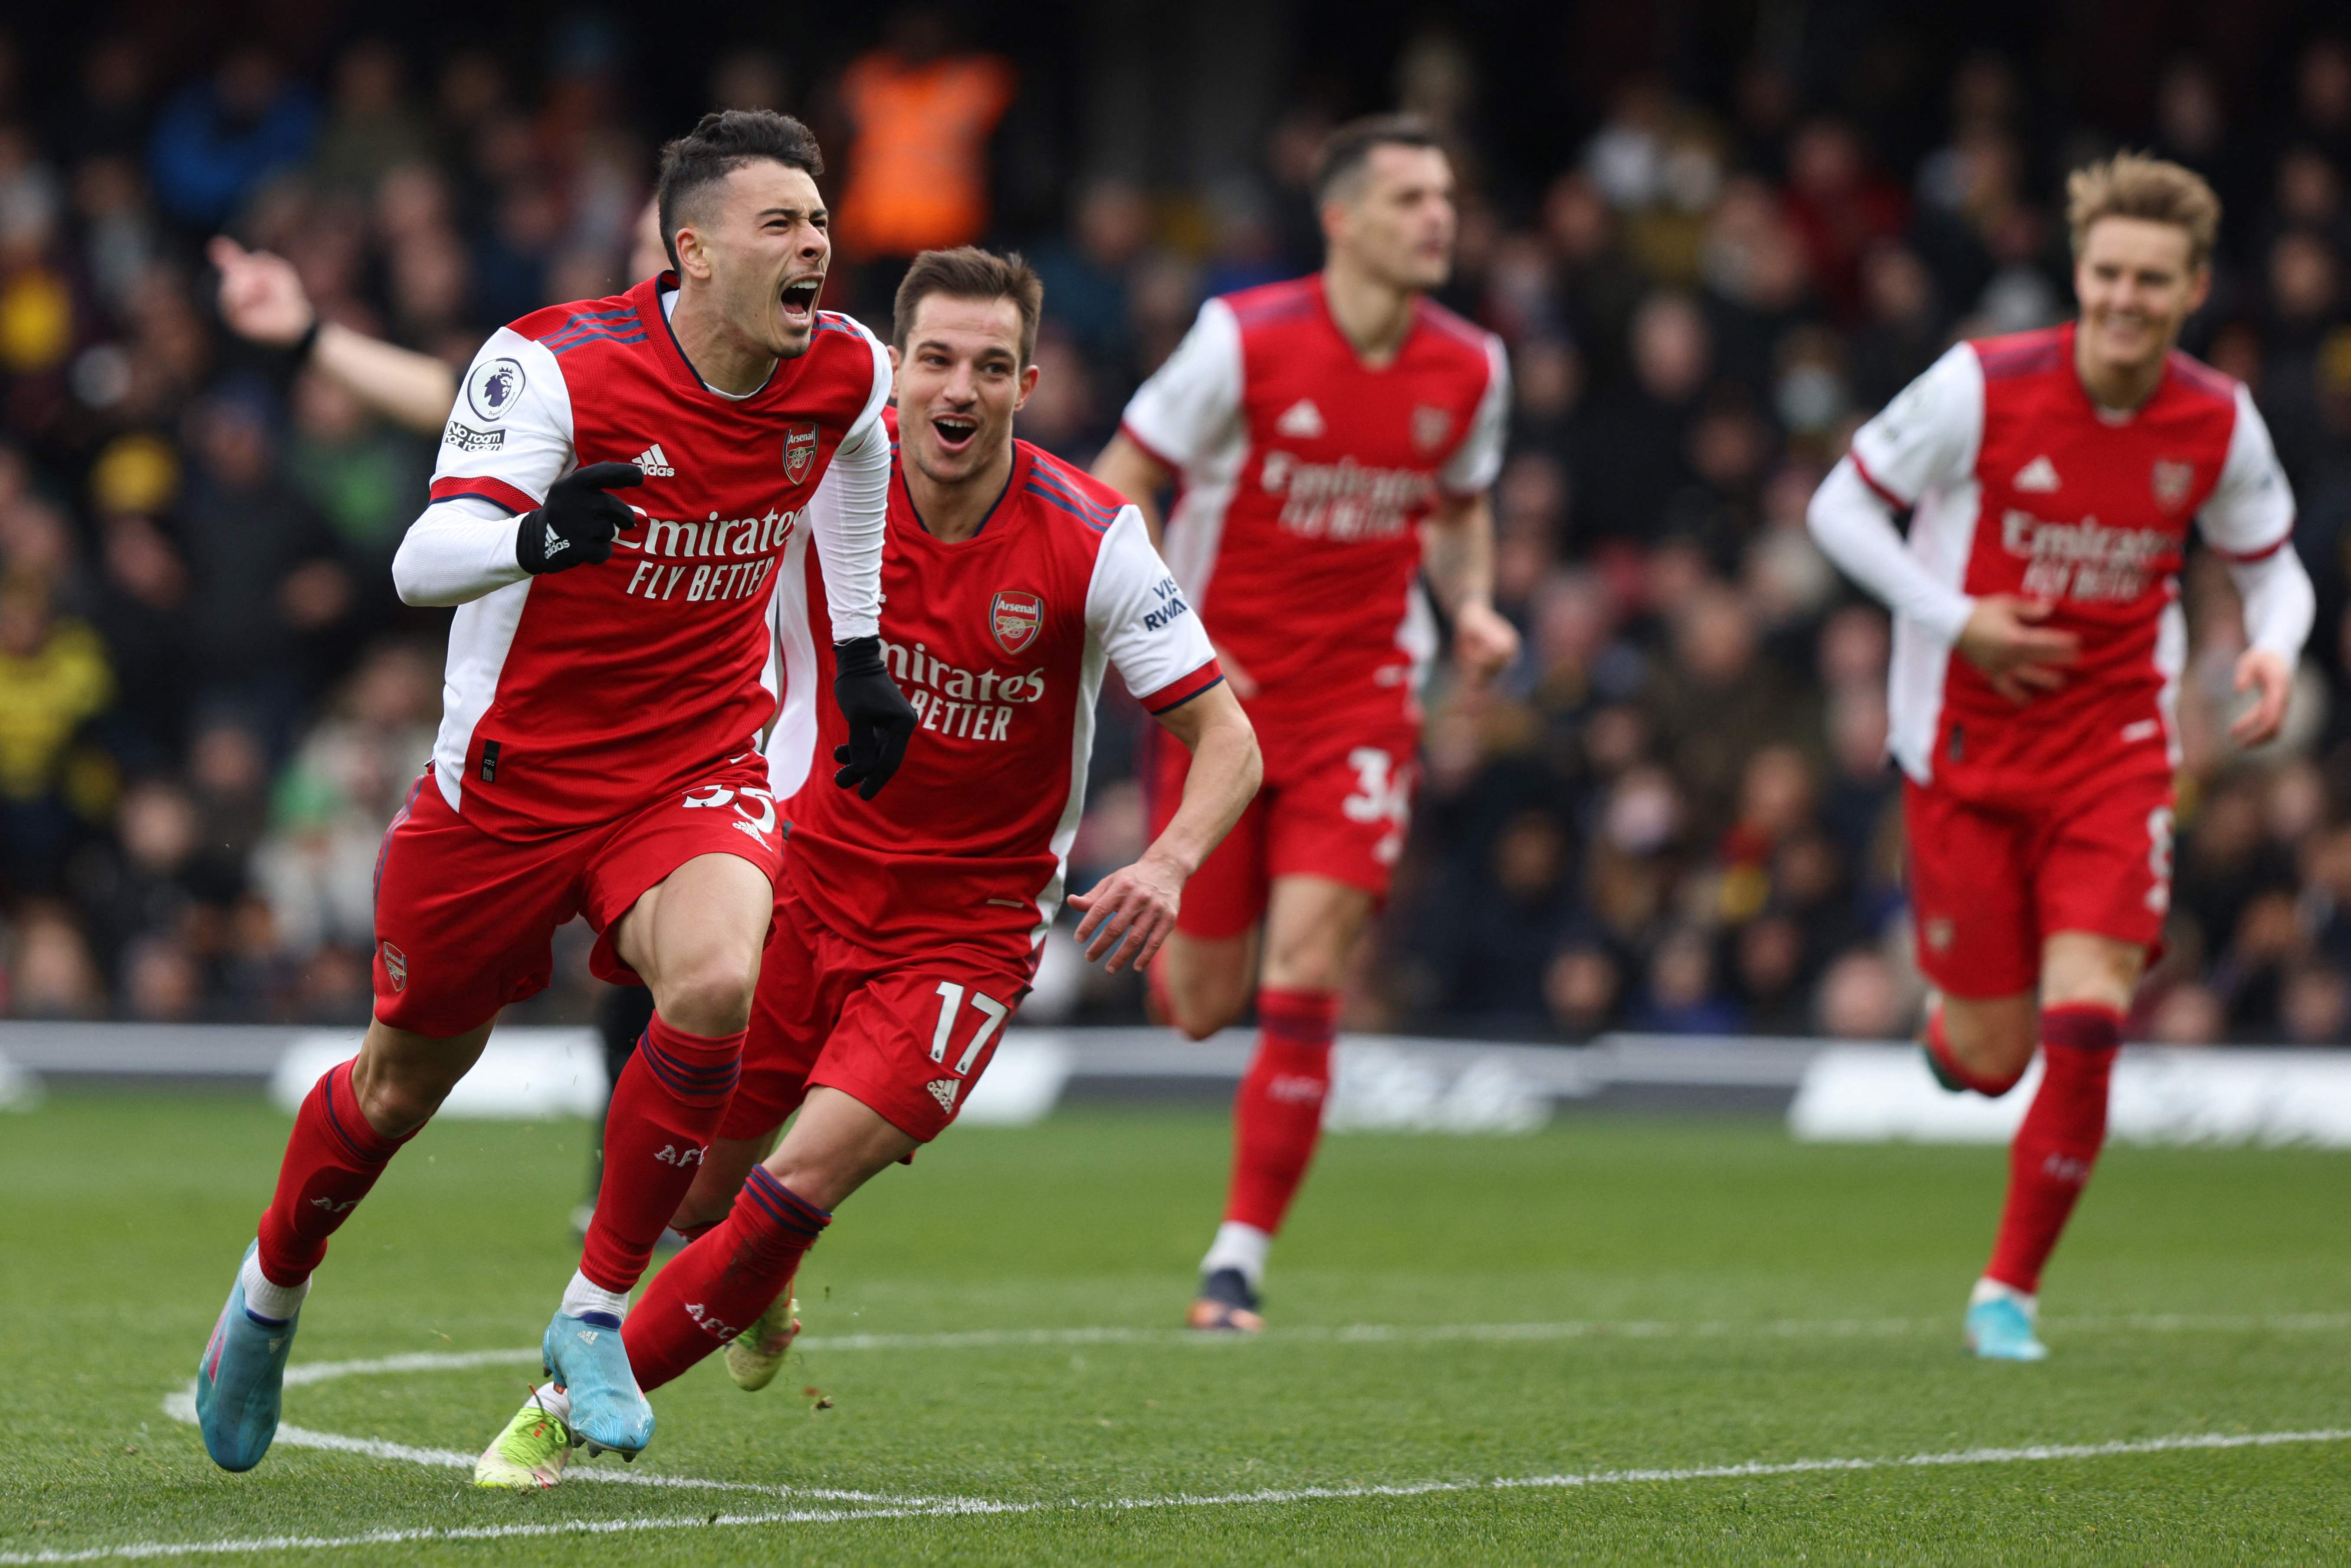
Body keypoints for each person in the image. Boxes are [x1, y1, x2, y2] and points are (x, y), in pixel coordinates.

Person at [194, 109, 919, 1473]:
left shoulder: (841, 365)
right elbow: (421, 559)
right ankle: (268, 1295)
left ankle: (593, 1313)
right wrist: (536, 536)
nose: (814, 243)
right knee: (399, 1091)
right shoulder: (552, 364)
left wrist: (865, 650)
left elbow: (864, 457)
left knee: (714, 981)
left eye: (820, 221)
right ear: (692, 251)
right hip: (510, 790)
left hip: (695, 763)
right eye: (782, 223)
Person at [473, 246, 1261, 1486]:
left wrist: (1165, 864)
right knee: (699, 1208)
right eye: (937, 359)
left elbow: (1229, 735)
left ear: (1027, 383)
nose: (961, 388)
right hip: (799, 881)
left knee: (794, 1187)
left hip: (963, 937)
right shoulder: (826, 486)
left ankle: (554, 1420)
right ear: (896, 374)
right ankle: (759, 1289)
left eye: (991, 367)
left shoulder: (1095, 537)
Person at [1805, 152, 2315, 1361]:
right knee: (1990, 1060)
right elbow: (1837, 506)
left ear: (2191, 289)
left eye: (2151, 279)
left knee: (2086, 1019)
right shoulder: (1981, 387)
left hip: (2117, 754)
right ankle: (1954, 1040)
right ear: (2078, 274)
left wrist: (2276, 647)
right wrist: (1954, 616)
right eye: (2106, 274)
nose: (2125, 299)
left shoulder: (2215, 419)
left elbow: (2272, 567)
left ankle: (2007, 1292)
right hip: (1965, 753)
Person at [1091, 114, 1518, 1331]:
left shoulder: (1472, 365)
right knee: (1199, 1005)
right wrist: (1163, 633)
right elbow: (1120, 475)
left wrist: (1474, 606)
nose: (1436, 216)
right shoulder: (1242, 339)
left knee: (1312, 965)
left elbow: (1458, 507)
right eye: (1408, 198)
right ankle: (1228, 1190)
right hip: (1221, 711)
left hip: (1366, 706)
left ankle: (1236, 1263)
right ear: (1342, 220)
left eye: (1445, 195)